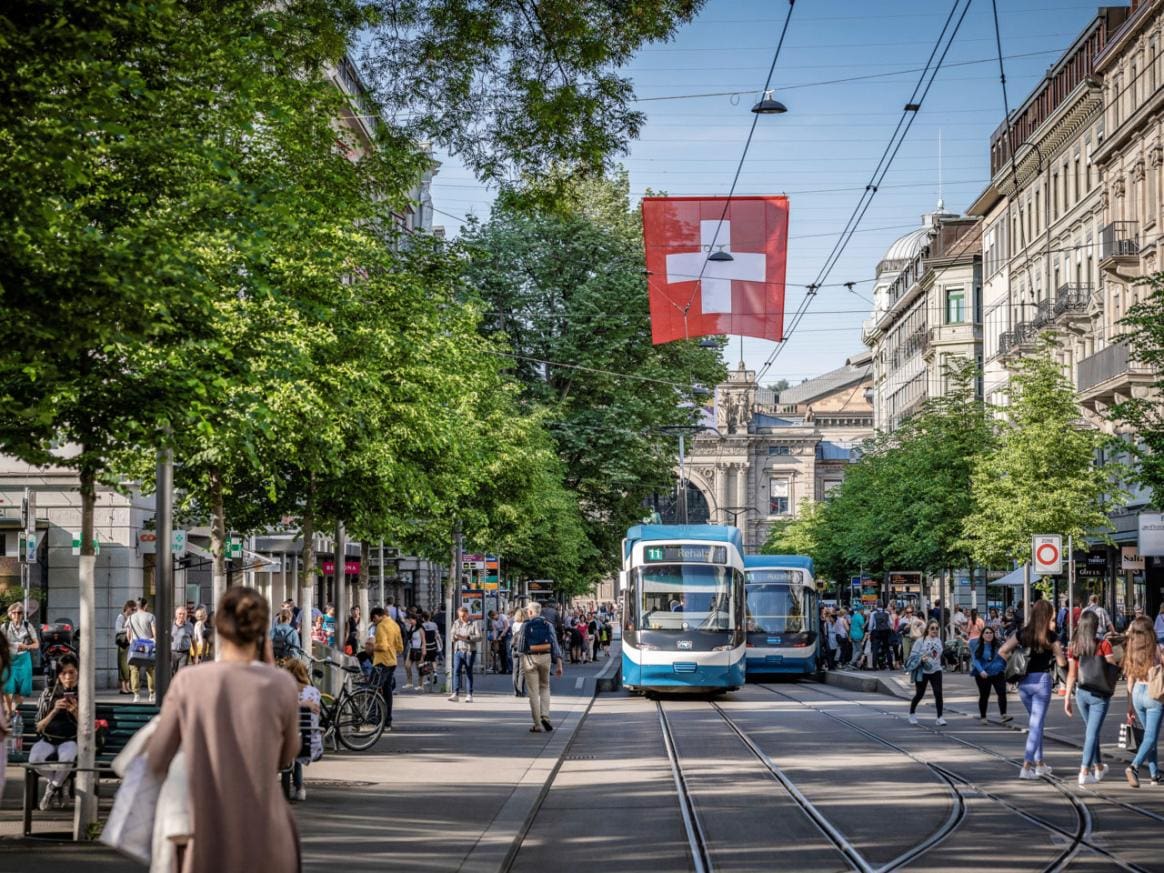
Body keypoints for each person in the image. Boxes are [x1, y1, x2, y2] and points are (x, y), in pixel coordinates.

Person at [148, 586, 301, 873]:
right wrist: (269, 665)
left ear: (217, 625)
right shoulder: (281, 684)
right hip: (267, 832)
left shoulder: (188, 681)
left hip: (204, 832)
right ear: (261, 630)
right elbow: (286, 756)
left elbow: (157, 758)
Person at [1000, 599, 1067, 780]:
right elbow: (1061, 662)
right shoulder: (1051, 636)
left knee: (1037, 724)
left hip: (1024, 683)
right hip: (1042, 682)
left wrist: (1015, 664)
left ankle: (1040, 764)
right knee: (1036, 725)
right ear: (1047, 616)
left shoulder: (1023, 633)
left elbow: (1003, 651)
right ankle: (1026, 765)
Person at [1063, 610, 1117, 786]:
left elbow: (1071, 674)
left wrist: (1067, 699)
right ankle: (1084, 770)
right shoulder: (1104, 645)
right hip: (1099, 695)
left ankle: (1099, 766)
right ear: (1095, 626)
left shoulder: (1074, 646)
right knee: (1092, 733)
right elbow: (1112, 668)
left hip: (1081, 693)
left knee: (1091, 733)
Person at [30, 653, 79, 810]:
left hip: (70, 739)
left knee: (67, 758)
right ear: (58, 676)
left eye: (71, 672)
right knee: (34, 759)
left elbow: (90, 727)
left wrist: (75, 711)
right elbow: (38, 726)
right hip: (48, 739)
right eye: (64, 673)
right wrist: (54, 711)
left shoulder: (83, 694)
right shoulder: (48, 694)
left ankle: (50, 789)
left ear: (78, 673)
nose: (68, 677)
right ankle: (61, 782)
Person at [1122, 615, 1163, 787]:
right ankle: (1134, 767)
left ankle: (1154, 774)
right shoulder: (1156, 649)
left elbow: (1129, 680)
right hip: (1153, 694)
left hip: (1137, 692)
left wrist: (1130, 705)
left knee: (1148, 735)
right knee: (1151, 737)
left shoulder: (1132, 650)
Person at [516, 601, 563, 732]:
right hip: (545, 657)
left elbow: (521, 647)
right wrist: (559, 663)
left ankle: (537, 724)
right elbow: (554, 644)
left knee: (533, 692)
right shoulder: (548, 625)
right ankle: (545, 717)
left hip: (530, 659)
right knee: (545, 687)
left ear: (530, 612)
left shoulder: (525, 625)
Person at [283, 658, 321, 802]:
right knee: (298, 738)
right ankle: (299, 788)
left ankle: (297, 787)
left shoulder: (284, 692)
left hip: (291, 741)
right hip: (312, 743)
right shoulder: (314, 692)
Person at [3, 602, 38, 716]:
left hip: (24, 659)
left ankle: (13, 710)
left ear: (23, 614)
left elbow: (36, 644)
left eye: (20, 613)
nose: (17, 615)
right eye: (14, 613)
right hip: (9, 659)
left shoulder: (28, 626)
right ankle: (9, 712)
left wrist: (26, 646)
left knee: (23, 689)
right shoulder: (5, 627)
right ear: (10, 614)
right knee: (8, 687)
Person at [970, 625, 1010, 725]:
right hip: (984, 675)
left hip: (998, 673)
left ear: (994, 634)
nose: (988, 635)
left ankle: (1003, 714)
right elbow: (975, 660)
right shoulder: (979, 646)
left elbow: (1004, 657)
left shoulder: (998, 645)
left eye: (990, 633)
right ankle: (983, 716)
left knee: (1002, 693)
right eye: (986, 633)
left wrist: (1004, 668)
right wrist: (981, 671)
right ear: (982, 635)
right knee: (984, 695)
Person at [908, 620, 946, 726]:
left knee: (938, 693)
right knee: (920, 694)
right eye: (932, 628)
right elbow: (912, 656)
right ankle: (912, 713)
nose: (935, 630)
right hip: (922, 670)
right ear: (928, 629)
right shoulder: (920, 641)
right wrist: (921, 659)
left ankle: (940, 717)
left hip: (936, 670)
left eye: (936, 628)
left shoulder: (938, 641)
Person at [370, 606, 402, 729]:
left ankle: (376, 719)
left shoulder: (381, 626)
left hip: (381, 661)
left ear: (377, 616)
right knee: (387, 692)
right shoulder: (395, 624)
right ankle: (387, 720)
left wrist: (372, 646)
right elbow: (400, 647)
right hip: (392, 661)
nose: (374, 622)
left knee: (373, 689)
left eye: (374, 619)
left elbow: (382, 646)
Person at [126, 598, 157, 703]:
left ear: (137, 606)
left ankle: (136, 694)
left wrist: (132, 642)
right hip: (148, 647)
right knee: (150, 670)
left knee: (134, 671)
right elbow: (154, 633)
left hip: (135, 647)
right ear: (146, 605)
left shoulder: (130, 618)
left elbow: (128, 635)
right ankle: (152, 694)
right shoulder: (150, 616)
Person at [448, 607, 481, 703]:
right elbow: (451, 634)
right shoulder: (456, 622)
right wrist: (454, 637)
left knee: (468, 672)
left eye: (463, 616)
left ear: (467, 614)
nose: (461, 618)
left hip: (469, 650)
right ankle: (455, 693)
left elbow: (479, 637)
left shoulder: (474, 623)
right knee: (456, 671)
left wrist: (468, 637)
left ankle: (469, 694)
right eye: (460, 616)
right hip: (458, 650)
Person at [114, 600, 136, 694]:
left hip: (130, 643)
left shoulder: (131, 617)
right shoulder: (121, 617)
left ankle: (127, 686)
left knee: (129, 665)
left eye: (135, 609)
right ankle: (123, 687)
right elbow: (118, 629)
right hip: (123, 644)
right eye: (132, 609)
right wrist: (128, 629)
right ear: (127, 608)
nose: (134, 611)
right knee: (123, 666)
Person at [171, 606, 195, 674]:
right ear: (176, 615)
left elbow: (193, 640)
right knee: (171, 673)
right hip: (172, 653)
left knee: (181, 673)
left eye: (184, 614)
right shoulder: (170, 625)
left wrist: (195, 655)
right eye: (180, 614)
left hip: (184, 654)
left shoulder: (190, 625)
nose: (182, 616)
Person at [510, 607, 528, 697]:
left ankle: (515, 690)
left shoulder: (514, 624)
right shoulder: (525, 625)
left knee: (515, 670)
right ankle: (521, 690)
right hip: (522, 649)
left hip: (514, 648)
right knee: (522, 671)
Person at [869, 602, 891, 670]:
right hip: (885, 632)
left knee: (875, 649)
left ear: (876, 606)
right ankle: (891, 666)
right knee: (887, 649)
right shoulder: (887, 613)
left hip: (876, 632)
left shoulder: (873, 613)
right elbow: (890, 623)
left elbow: (870, 625)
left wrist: (870, 632)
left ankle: (874, 666)